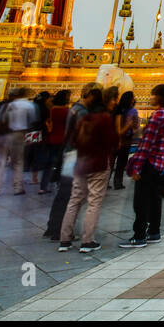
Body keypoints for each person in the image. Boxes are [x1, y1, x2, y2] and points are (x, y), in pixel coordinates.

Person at [58, 88, 120, 252]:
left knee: (75, 200)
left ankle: (64, 239)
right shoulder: (104, 119)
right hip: (98, 163)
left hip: (81, 162)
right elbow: (112, 141)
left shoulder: (84, 118)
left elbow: (73, 139)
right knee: (94, 202)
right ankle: (87, 241)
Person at [120, 84, 164, 248]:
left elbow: (146, 144)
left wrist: (135, 166)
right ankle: (154, 231)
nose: (150, 98)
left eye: (152, 95)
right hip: (158, 163)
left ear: (159, 97)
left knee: (141, 200)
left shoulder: (157, 116)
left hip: (148, 163)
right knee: (154, 198)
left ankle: (139, 235)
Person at [44, 85, 98, 240]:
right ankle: (59, 231)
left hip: (69, 153)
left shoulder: (74, 109)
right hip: (75, 156)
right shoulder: (80, 112)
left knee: (64, 192)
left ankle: (53, 226)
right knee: (70, 194)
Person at [0, 88, 37, 197]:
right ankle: (18, 188)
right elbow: (32, 121)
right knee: (18, 162)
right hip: (19, 134)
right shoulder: (27, 105)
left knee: (0, 162)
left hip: (4, 134)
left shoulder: (4, 105)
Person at [39, 89, 71, 194]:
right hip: (63, 140)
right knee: (61, 163)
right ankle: (59, 184)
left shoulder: (51, 110)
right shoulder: (67, 111)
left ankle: (43, 186)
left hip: (51, 138)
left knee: (49, 163)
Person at [111, 90, 139, 189]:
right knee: (121, 162)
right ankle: (118, 183)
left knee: (111, 162)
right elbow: (135, 125)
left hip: (114, 138)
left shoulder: (117, 109)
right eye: (133, 97)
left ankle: (106, 182)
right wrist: (130, 125)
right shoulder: (133, 111)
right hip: (125, 138)